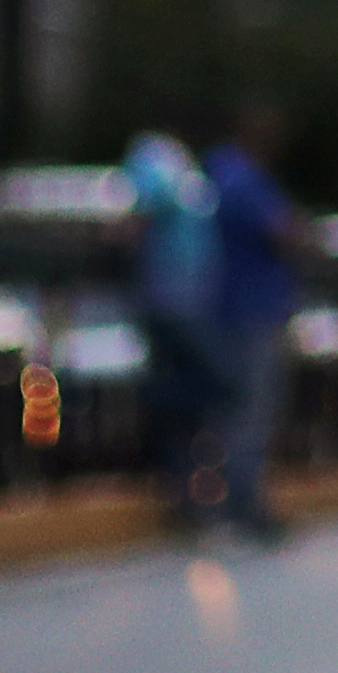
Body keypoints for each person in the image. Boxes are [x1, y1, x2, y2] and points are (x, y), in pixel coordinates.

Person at [201, 103, 305, 539]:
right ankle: (244, 507)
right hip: (249, 312)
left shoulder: (224, 174)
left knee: (244, 410)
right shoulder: (240, 178)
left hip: (240, 310)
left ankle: (240, 501)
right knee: (251, 411)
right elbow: (284, 231)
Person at [123, 128, 221, 530]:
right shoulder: (190, 180)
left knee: (176, 401)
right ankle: (190, 491)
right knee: (190, 400)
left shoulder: (154, 162)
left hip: (173, 305)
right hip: (192, 308)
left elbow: (144, 213)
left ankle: (184, 492)